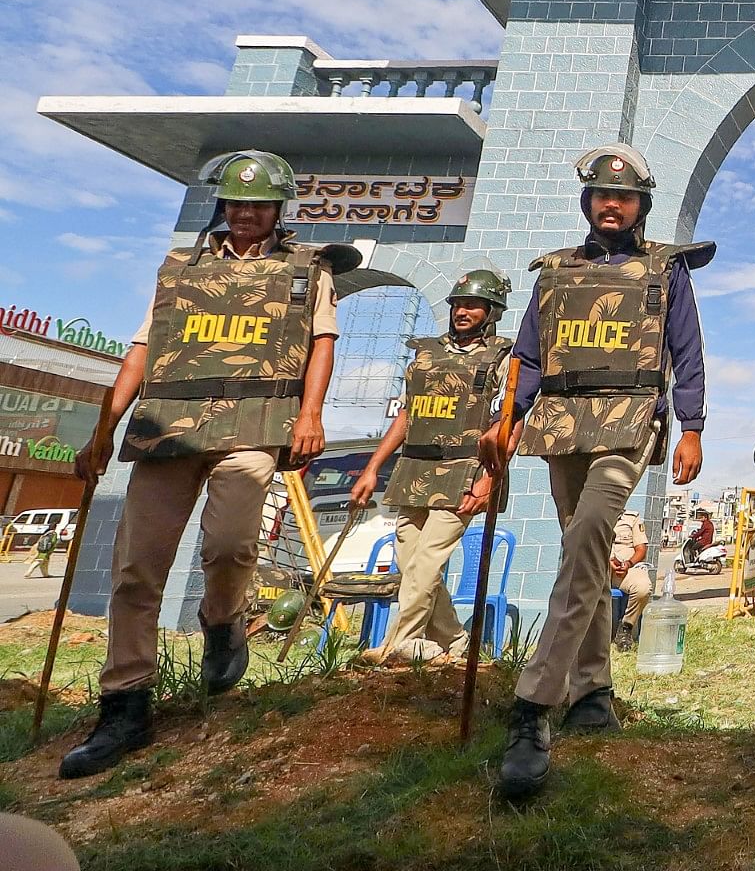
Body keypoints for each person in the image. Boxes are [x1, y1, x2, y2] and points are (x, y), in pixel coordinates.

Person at [63, 151, 356, 778]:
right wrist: (103, 427)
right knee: (137, 566)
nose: (245, 213)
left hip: (253, 426)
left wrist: (310, 416)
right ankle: (125, 703)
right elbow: (144, 347)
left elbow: (321, 346)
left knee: (228, 545)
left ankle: (223, 621)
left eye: (258, 204)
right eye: (234, 202)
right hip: (168, 428)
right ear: (221, 206)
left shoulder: (308, 270)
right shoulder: (180, 269)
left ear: (280, 209)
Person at [481, 144, 712, 802]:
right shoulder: (554, 271)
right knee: (579, 552)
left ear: (642, 204)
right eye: (602, 195)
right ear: (588, 203)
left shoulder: (666, 269)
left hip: (630, 423)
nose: (612, 204)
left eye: (626, 196)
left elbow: (687, 352)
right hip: (560, 425)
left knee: (587, 543)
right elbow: (527, 354)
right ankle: (593, 691)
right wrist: (505, 419)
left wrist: (691, 425)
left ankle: (533, 706)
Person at [349, 268, 513, 665]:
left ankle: (398, 644)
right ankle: (457, 641)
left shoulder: (503, 357)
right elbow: (408, 414)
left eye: (472, 305)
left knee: (427, 561)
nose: (462, 311)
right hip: (414, 471)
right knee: (410, 564)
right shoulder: (425, 352)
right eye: (458, 304)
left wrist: (490, 479)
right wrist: (373, 467)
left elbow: (508, 422)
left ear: (491, 312)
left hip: (464, 471)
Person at [611, 509, 653, 651]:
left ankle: (626, 627)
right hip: (597, 567)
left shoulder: (631, 518)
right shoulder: (593, 513)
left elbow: (641, 548)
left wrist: (628, 564)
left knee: (643, 587)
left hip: (625, 569)